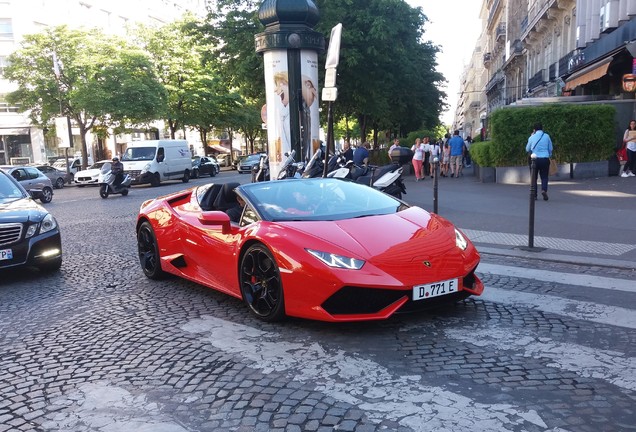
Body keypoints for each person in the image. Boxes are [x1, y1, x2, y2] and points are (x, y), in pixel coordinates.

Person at [525, 122, 554, 201]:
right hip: (544, 159)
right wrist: (549, 154)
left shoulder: (532, 137)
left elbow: (527, 149)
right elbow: (550, 148)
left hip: (534, 160)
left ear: (534, 130)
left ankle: (534, 195)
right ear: (542, 128)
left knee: (534, 177)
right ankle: (544, 190)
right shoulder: (547, 136)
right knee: (544, 176)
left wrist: (531, 137)